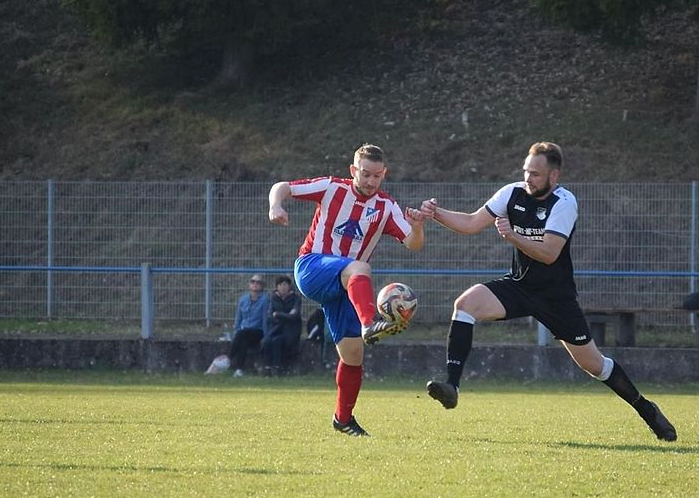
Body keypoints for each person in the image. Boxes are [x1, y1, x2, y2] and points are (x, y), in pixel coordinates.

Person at [419, 141, 677, 442]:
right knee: (465, 304)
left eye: (536, 174)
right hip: (519, 286)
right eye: (526, 171)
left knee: (594, 365)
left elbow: (549, 253)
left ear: (554, 176)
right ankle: (452, 387)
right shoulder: (512, 193)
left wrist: (513, 237)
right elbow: (472, 222)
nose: (528, 179)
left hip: (556, 297)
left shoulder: (564, 203)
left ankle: (645, 408)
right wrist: (435, 213)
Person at [268, 143, 428, 436]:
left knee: (353, 354)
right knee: (360, 267)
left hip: (345, 287)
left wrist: (416, 227)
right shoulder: (332, 188)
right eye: (365, 174)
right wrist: (275, 205)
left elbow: (413, 244)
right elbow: (283, 187)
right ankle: (369, 323)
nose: (370, 181)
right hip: (312, 267)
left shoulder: (386, 207)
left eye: (376, 176)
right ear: (354, 170)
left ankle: (342, 419)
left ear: (384, 174)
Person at [228, 275, 270, 377]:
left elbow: (265, 319)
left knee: (242, 333)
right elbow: (238, 318)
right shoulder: (243, 299)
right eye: (253, 281)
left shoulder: (265, 300)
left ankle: (228, 358)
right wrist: (236, 332)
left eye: (258, 282)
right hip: (243, 332)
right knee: (243, 341)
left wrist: (265, 337)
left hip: (257, 331)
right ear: (249, 284)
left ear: (262, 286)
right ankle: (239, 369)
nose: (255, 284)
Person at [261, 275, 303, 375]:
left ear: (289, 286)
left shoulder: (296, 298)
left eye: (285, 285)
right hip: (276, 328)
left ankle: (277, 367)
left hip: (291, 330)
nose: (283, 287)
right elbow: (270, 316)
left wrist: (278, 314)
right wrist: (286, 315)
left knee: (277, 341)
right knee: (266, 341)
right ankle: (267, 367)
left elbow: (294, 316)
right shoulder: (273, 298)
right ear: (277, 287)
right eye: (280, 285)